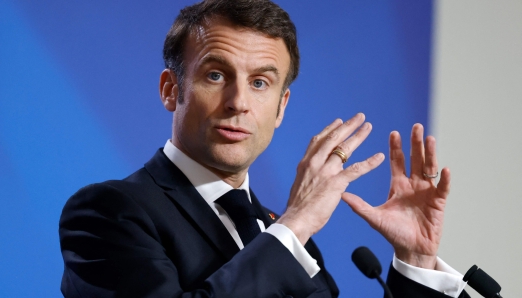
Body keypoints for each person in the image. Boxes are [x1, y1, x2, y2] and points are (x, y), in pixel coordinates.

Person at [59, 0, 470, 297]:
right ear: (172, 89)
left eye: (260, 83)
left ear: (281, 107)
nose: (239, 102)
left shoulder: (283, 236)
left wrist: (415, 263)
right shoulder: (106, 213)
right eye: (217, 75)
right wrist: (295, 225)